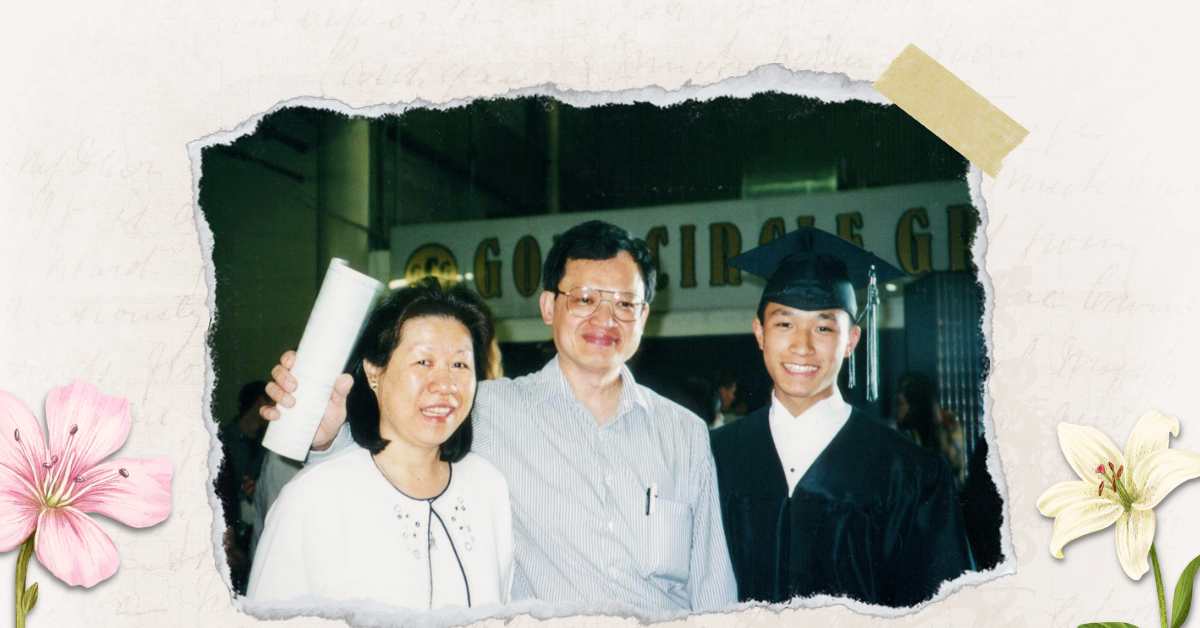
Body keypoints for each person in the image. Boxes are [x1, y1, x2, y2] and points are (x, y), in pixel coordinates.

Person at [261, 221, 736, 612]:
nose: (605, 320)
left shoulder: (685, 434)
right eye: (585, 299)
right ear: (549, 306)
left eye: (624, 304)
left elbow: (713, 583)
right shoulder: (484, 408)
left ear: (645, 314)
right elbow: (397, 460)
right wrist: (325, 438)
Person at [709, 227, 973, 607]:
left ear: (851, 340)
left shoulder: (911, 473)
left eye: (823, 327)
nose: (802, 346)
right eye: (784, 324)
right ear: (759, 333)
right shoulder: (713, 457)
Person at [247, 279, 514, 609]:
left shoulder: (487, 487)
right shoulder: (314, 497)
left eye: (460, 364)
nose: (445, 384)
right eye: (423, 362)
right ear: (375, 372)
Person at [215, 380, 269, 594]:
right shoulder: (222, 442)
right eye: (269, 403)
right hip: (233, 535)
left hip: (255, 529)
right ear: (258, 403)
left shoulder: (266, 445)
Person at [895, 372, 967, 487]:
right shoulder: (905, 433)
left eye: (900, 404)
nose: (897, 411)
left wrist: (938, 428)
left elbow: (954, 465)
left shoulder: (948, 424)